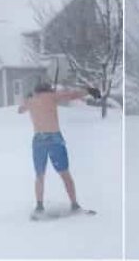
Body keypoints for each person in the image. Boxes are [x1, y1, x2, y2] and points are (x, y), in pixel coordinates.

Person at [18, 82, 101, 218]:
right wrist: (89, 91)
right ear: (48, 90)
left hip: (39, 139)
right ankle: (74, 204)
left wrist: (26, 98)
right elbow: (72, 95)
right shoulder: (52, 96)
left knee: (40, 175)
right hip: (54, 138)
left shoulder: (31, 100)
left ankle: (39, 206)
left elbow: (20, 110)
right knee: (65, 173)